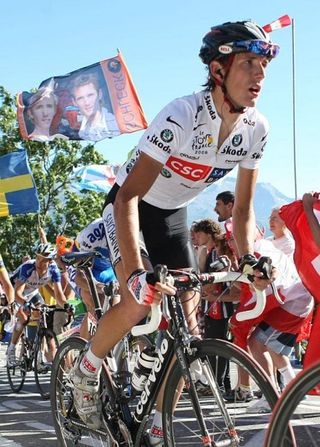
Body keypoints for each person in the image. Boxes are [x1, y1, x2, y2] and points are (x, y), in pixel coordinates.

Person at [71, 19, 279, 442]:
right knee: (136, 300)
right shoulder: (183, 114)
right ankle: (86, 368)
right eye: (248, 64)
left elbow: (242, 210)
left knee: (189, 327)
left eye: (263, 65)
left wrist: (248, 261)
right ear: (218, 71)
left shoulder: (257, 128)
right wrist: (134, 272)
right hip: (131, 204)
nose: (259, 75)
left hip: (173, 215)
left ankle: (157, 422)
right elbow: (129, 197)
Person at [6, 243, 68, 366]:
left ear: (50, 261)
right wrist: (25, 304)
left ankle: (38, 357)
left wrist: (66, 306)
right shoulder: (28, 267)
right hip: (15, 292)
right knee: (23, 318)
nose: (39, 262)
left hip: (33, 292)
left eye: (43, 260)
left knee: (43, 315)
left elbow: (59, 295)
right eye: (38, 257)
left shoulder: (54, 270)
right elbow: (18, 293)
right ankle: (11, 350)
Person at [70, 73, 120, 141]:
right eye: (80, 98)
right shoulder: (78, 133)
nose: (87, 103)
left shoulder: (117, 124)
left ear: (100, 94)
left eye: (90, 95)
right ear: (74, 102)